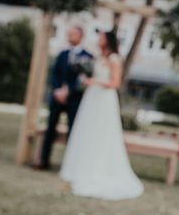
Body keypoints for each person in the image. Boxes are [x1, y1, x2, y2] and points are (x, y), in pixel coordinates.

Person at [60, 31, 143, 201]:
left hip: (104, 99)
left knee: (101, 133)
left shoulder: (114, 59)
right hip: (91, 97)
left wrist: (95, 82)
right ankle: (80, 168)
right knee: (87, 132)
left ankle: (97, 170)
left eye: (102, 37)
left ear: (109, 41)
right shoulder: (98, 57)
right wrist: (86, 79)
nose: (99, 39)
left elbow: (115, 83)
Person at [36, 26, 93, 169]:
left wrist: (70, 91)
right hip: (57, 97)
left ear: (81, 36)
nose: (69, 36)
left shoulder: (87, 56)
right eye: (69, 34)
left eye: (72, 34)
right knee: (50, 128)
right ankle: (44, 160)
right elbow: (54, 74)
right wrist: (57, 90)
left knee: (73, 130)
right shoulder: (62, 54)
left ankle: (69, 164)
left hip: (74, 99)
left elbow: (85, 79)